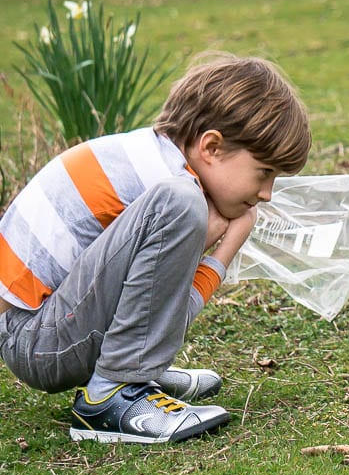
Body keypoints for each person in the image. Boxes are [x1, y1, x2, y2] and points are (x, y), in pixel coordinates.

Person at [0, 52, 311, 444]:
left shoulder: (154, 161)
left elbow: (152, 315)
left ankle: (130, 370)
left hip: (47, 332)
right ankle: (112, 392)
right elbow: (170, 318)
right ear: (211, 148)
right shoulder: (172, 191)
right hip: (36, 342)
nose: (266, 194)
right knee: (180, 202)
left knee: (181, 203)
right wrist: (219, 248)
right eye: (264, 173)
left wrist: (222, 243)